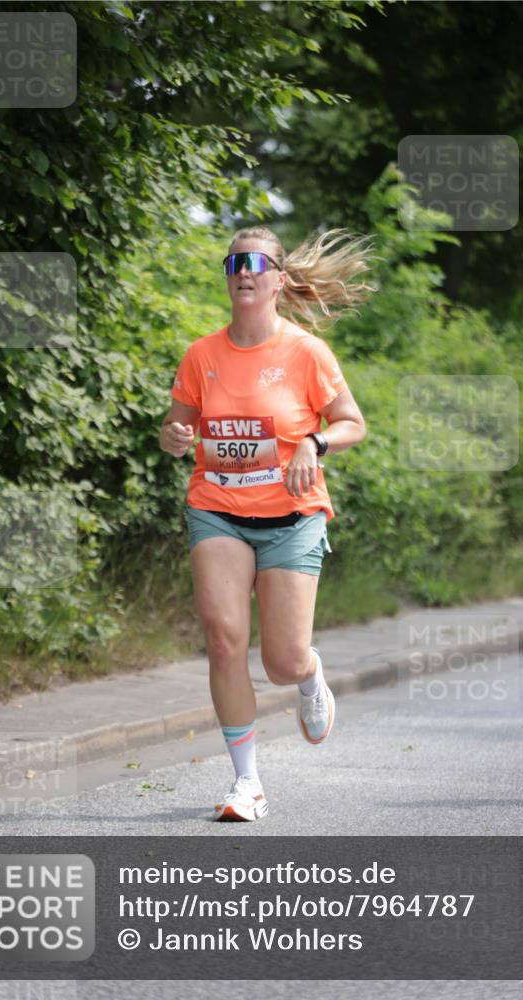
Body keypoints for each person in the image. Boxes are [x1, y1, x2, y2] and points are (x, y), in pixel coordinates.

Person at [159, 225, 374, 821]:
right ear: (228, 278)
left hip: (292, 517)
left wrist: (314, 442)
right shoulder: (202, 355)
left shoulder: (306, 352)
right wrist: (174, 436)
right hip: (217, 509)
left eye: (255, 263)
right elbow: (176, 429)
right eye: (235, 264)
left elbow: (352, 423)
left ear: (279, 279)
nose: (244, 273)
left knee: (282, 661)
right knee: (224, 638)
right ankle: (246, 783)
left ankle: (309, 674)